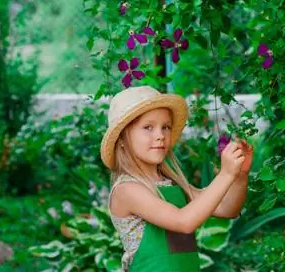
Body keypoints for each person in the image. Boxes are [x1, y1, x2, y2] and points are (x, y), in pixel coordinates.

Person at [99, 85, 252, 271]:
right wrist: (225, 174)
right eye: (148, 127)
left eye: (166, 127)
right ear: (122, 139)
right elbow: (184, 221)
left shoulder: (172, 185)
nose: (160, 136)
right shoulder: (127, 189)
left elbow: (227, 208)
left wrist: (239, 174)